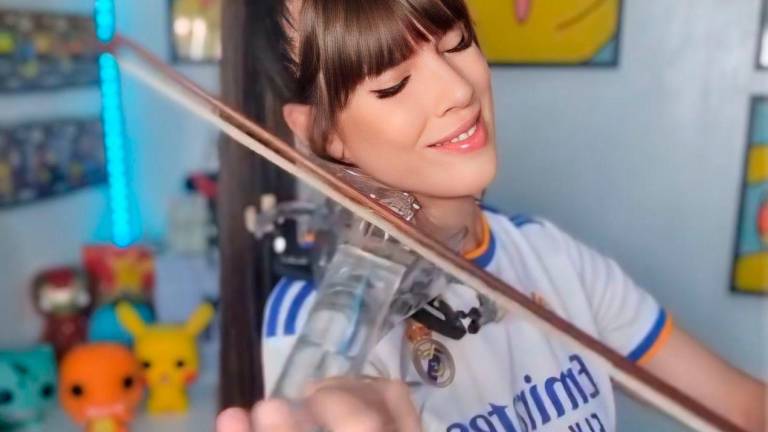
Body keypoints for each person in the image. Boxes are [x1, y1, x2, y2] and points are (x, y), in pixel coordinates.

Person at [216, 0, 766, 430]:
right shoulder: (321, 313)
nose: (458, 90)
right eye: (393, 84)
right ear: (322, 133)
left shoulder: (548, 255)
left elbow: (743, 408)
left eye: (456, 42)